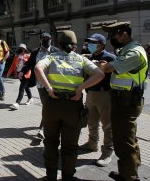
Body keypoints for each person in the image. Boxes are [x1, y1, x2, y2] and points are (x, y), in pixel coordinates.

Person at [35, 30, 104, 181]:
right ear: (75, 46)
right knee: (70, 146)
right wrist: (80, 89)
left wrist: (48, 88)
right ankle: (67, 177)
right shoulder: (81, 59)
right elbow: (100, 74)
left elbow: (38, 68)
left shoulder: (51, 57)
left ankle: (51, 176)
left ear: (59, 45)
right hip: (73, 107)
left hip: (52, 105)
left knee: (51, 143)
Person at [98, 22, 148, 181]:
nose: (112, 39)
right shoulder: (127, 50)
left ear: (124, 34)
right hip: (123, 101)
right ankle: (129, 171)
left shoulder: (134, 53)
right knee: (128, 138)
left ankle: (130, 177)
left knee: (123, 140)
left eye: (114, 35)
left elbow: (108, 68)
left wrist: (104, 65)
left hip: (127, 102)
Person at [79, 33, 116, 167]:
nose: (90, 45)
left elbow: (118, 75)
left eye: (93, 43)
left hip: (105, 95)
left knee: (107, 125)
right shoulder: (90, 57)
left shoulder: (110, 57)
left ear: (102, 45)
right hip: (90, 94)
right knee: (91, 121)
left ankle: (107, 152)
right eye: (89, 43)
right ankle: (92, 143)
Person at [19, 32, 59, 139]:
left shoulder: (56, 51)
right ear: (40, 40)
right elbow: (29, 63)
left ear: (51, 40)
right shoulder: (36, 52)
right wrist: (22, 71)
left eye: (48, 38)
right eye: (44, 39)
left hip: (53, 84)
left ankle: (42, 129)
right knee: (46, 106)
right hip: (40, 85)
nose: (46, 41)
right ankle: (47, 125)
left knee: (48, 107)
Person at [6, 43, 33, 110]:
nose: (21, 49)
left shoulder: (28, 56)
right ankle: (30, 98)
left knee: (21, 88)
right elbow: (13, 65)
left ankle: (17, 103)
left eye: (23, 48)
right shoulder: (17, 56)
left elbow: (31, 65)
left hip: (26, 74)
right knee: (26, 87)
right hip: (19, 73)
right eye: (20, 48)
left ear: (25, 49)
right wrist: (8, 73)